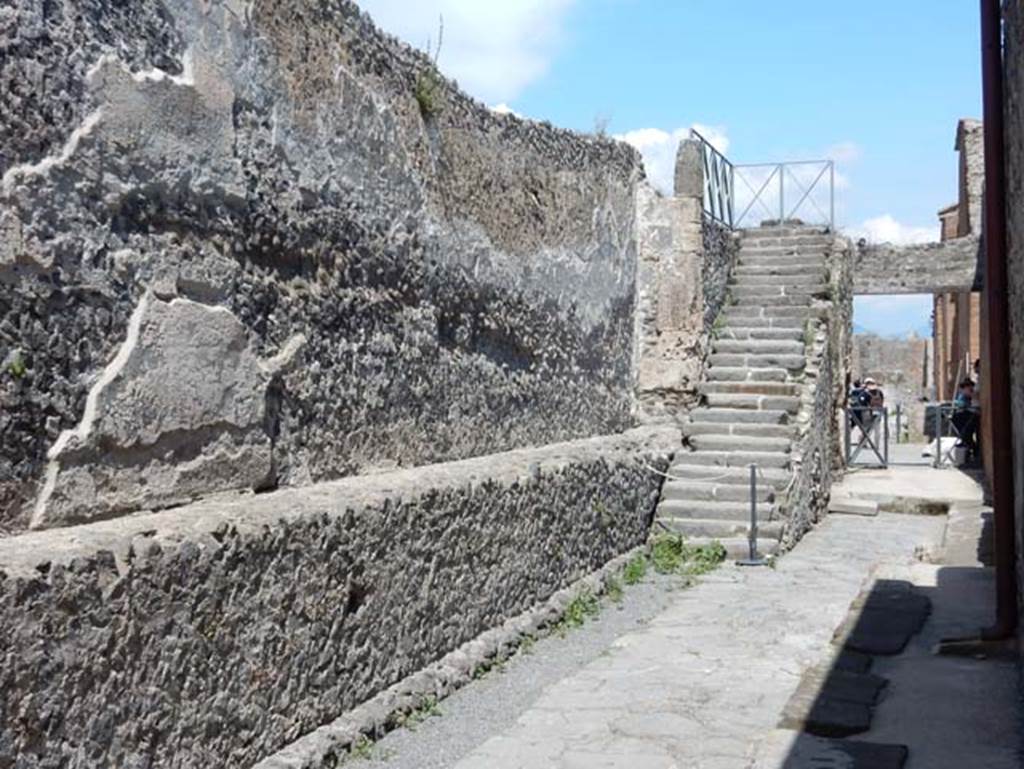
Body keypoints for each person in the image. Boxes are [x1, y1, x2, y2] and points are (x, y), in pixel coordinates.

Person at [951, 378, 980, 459]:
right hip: (966, 413)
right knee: (958, 422)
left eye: (966, 387)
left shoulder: (972, 392)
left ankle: (969, 444)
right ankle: (966, 442)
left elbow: (970, 402)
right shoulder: (962, 395)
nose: (964, 389)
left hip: (972, 414)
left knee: (965, 429)